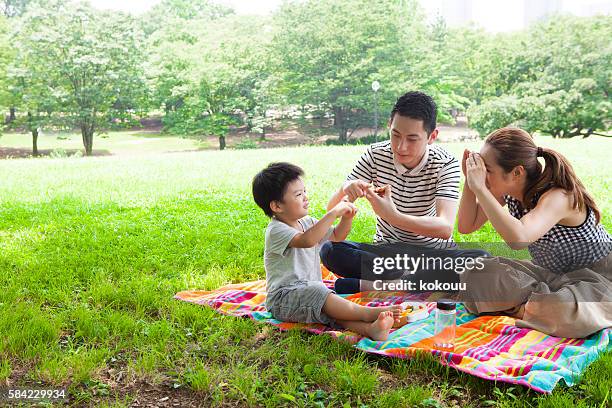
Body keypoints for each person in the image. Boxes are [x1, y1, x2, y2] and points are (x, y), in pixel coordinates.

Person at [321, 91, 488, 294]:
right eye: (395, 135)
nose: (401, 147)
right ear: (389, 126)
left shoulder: (446, 164)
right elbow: (331, 212)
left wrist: (393, 216)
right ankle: (412, 282)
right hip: (386, 253)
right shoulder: (375, 155)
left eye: (412, 139)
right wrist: (344, 189)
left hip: (432, 255)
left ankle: (378, 285)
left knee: (480, 259)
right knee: (330, 250)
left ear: (432, 136)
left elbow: (445, 227)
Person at [457, 127, 611, 338]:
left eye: (487, 170)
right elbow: (466, 227)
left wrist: (481, 189)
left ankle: (526, 308)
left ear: (517, 173)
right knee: (474, 271)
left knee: (561, 308)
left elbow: (518, 239)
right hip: (550, 275)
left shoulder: (559, 196)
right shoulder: (508, 191)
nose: (482, 175)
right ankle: (536, 309)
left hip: (598, 277)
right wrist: (470, 183)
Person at [252, 162, 403, 341]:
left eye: (304, 191)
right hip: (283, 300)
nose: (306, 197)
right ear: (277, 206)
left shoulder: (307, 222)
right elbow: (307, 240)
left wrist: (346, 218)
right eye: (299, 194)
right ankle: (367, 313)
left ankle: (370, 329)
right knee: (319, 294)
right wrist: (333, 213)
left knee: (332, 312)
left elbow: (337, 236)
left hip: (309, 294)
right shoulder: (276, 230)